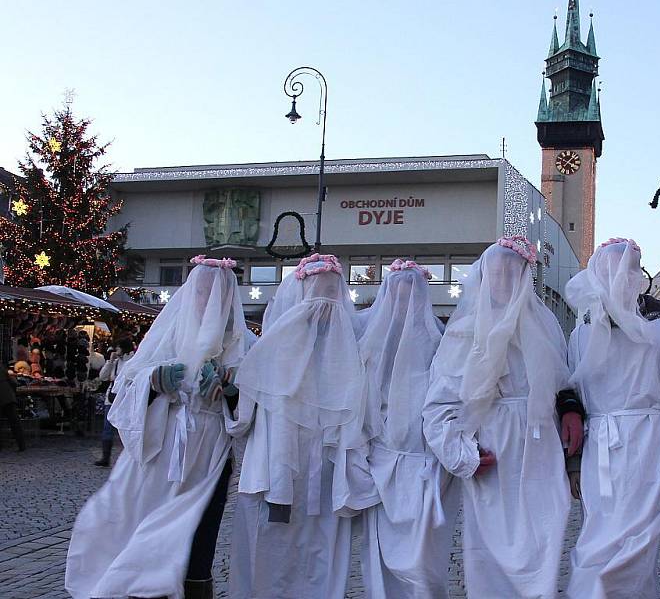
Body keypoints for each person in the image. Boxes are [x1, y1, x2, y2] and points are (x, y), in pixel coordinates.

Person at [65, 255, 249, 599]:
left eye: (220, 295)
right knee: (148, 529)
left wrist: (232, 392)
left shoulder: (242, 346)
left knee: (200, 538)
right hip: (162, 452)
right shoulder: (166, 337)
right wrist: (154, 383)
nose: (211, 302)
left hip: (210, 459)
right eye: (204, 293)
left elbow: (253, 408)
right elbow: (124, 389)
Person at [423, 236, 582, 598]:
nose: (504, 282)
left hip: (542, 450)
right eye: (497, 274)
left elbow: (564, 383)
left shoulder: (545, 327)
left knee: (543, 539)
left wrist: (571, 411)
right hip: (492, 451)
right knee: (489, 553)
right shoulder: (464, 333)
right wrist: (463, 455)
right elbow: (438, 406)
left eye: (514, 274)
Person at [564, 238, 660, 599]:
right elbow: (575, 404)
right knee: (596, 538)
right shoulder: (581, 335)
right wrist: (575, 463)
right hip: (600, 453)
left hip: (648, 449)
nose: (620, 280)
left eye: (627, 272)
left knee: (638, 543)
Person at [229, 254, 376, 599]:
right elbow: (247, 418)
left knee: (321, 559)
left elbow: (358, 420)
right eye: (317, 298)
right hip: (275, 480)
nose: (324, 310)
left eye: (331, 298)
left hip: (325, 483)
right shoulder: (274, 353)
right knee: (271, 557)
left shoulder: (347, 355)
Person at [357, 259, 456, 598]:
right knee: (382, 554)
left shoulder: (438, 341)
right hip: (382, 461)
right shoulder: (371, 342)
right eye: (398, 295)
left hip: (423, 462)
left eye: (411, 295)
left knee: (421, 557)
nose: (404, 302)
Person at [93, 337, 135, 467]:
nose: (115, 350)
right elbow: (103, 376)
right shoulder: (115, 362)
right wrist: (110, 362)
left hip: (125, 399)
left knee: (127, 428)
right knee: (107, 428)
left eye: (117, 347)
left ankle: (130, 458)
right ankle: (106, 457)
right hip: (111, 398)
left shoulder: (133, 361)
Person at [0, 365, 25, 451]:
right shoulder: (2, 367)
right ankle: (21, 445)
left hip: (4, 397)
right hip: (8, 397)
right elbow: (12, 382)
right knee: (15, 423)